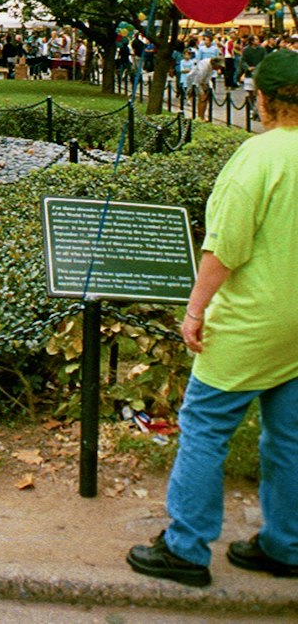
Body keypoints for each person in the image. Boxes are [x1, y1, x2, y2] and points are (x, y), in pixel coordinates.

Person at [127, 49, 298, 588]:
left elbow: (223, 250)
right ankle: (285, 545)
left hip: (250, 322)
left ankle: (186, 547)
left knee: (203, 427)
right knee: (288, 438)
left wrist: (195, 310)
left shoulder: (257, 157)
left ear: (262, 98)